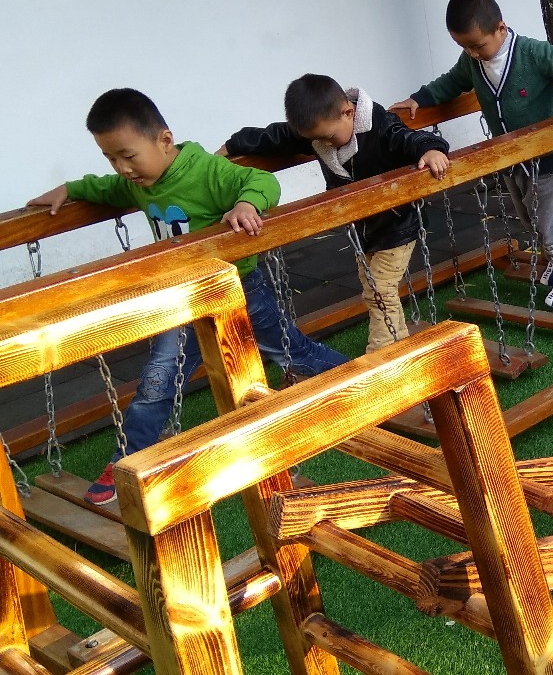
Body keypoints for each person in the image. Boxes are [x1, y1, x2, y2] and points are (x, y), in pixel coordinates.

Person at [28, 87, 348, 506]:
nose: (122, 168)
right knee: (158, 380)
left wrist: (246, 205)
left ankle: (356, 381)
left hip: (239, 287)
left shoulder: (205, 171)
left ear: (164, 140)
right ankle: (130, 456)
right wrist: (69, 189)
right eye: (111, 158)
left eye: (127, 155)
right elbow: (105, 188)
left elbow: (261, 181)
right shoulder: (139, 182)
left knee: (288, 348)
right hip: (182, 300)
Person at [393, 0, 553, 310]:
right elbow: (451, 82)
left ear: (500, 28)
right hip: (510, 158)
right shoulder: (472, 62)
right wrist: (419, 98)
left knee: (551, 222)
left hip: (545, 157)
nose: (472, 53)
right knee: (529, 217)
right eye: (464, 47)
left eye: (477, 45)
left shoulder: (531, 53)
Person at [224, 74, 450, 351]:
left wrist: (431, 150)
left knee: (380, 289)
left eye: (329, 137)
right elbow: (275, 136)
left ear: (349, 113)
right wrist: (234, 144)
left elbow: (409, 139)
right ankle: (398, 341)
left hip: (397, 223)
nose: (326, 144)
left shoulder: (380, 125)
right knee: (373, 287)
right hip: (362, 230)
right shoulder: (321, 130)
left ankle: (382, 351)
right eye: (317, 140)